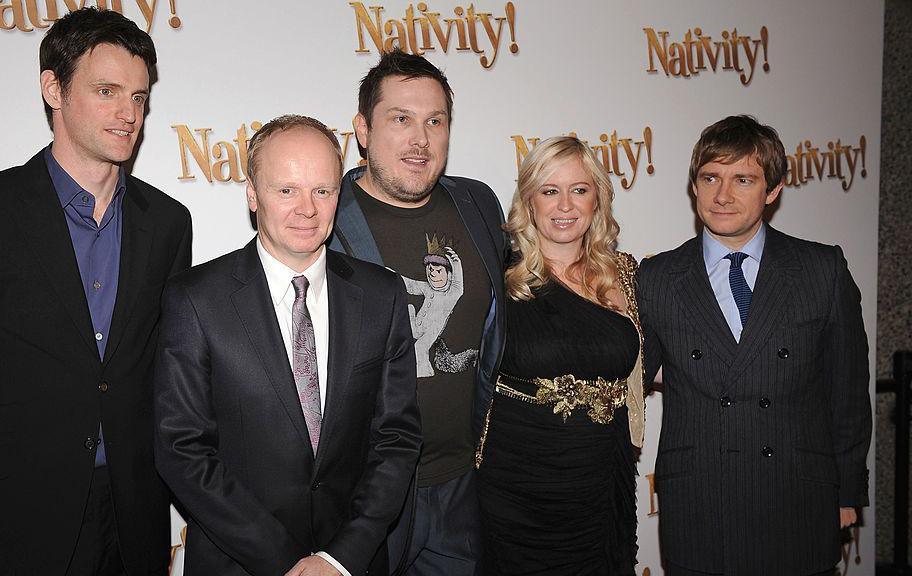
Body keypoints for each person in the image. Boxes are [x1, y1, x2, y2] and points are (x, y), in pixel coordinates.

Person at [0, 8, 192, 576]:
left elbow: (164, 365)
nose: (127, 113)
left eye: (138, 97)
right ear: (52, 88)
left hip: (133, 515)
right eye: (106, 91)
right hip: (10, 515)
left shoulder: (168, 221)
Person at [153, 115, 421, 576]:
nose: (308, 209)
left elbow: (396, 439)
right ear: (253, 195)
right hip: (240, 563)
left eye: (323, 190)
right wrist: (286, 562)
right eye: (286, 190)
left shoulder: (383, 296)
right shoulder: (196, 300)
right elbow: (182, 449)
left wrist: (338, 559)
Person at [636, 115, 871, 575]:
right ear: (694, 186)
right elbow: (627, 382)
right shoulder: (658, 277)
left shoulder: (821, 269)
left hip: (797, 497)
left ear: (773, 189)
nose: (723, 195)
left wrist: (846, 492)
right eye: (711, 178)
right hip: (701, 501)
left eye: (742, 179)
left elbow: (846, 392)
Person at [329, 48, 506, 575]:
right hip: (367, 492)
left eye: (435, 121)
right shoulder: (322, 220)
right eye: (400, 119)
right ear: (362, 129)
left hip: (461, 487)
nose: (420, 139)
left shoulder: (479, 205)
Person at [476, 136, 645, 575]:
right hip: (519, 482)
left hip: (601, 476)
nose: (565, 204)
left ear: (598, 199)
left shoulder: (623, 272)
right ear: (529, 202)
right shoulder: (497, 274)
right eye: (549, 191)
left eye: (579, 189)